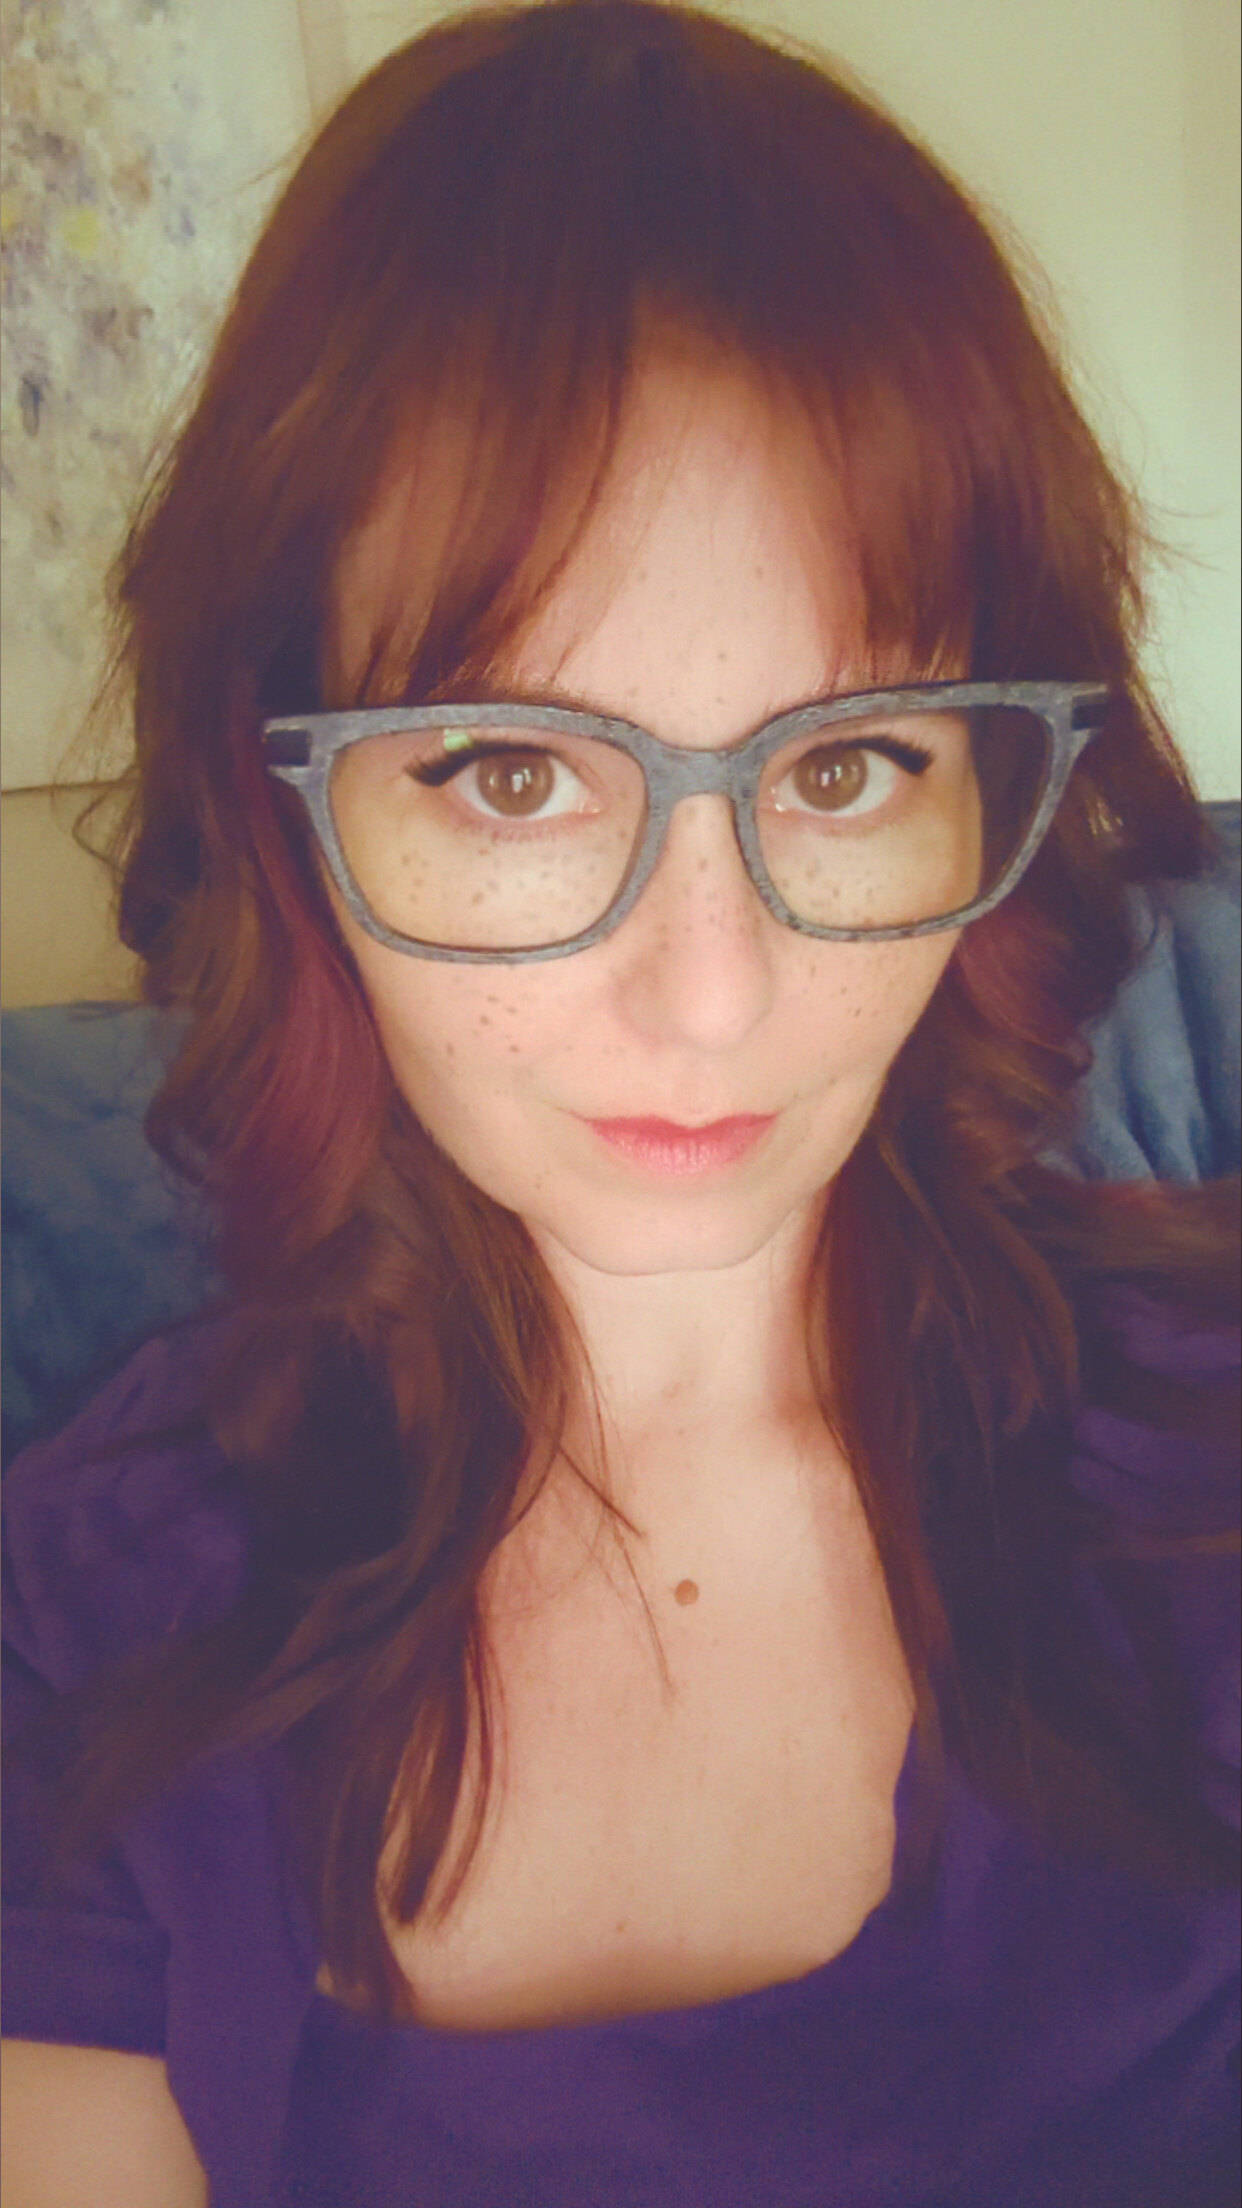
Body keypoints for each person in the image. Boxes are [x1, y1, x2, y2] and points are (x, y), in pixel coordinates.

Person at [2, 3, 1237, 2203]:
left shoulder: (1208, 1449)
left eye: (847, 764)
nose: (712, 992)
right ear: (288, 821)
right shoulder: (85, 1629)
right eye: (509, 773)